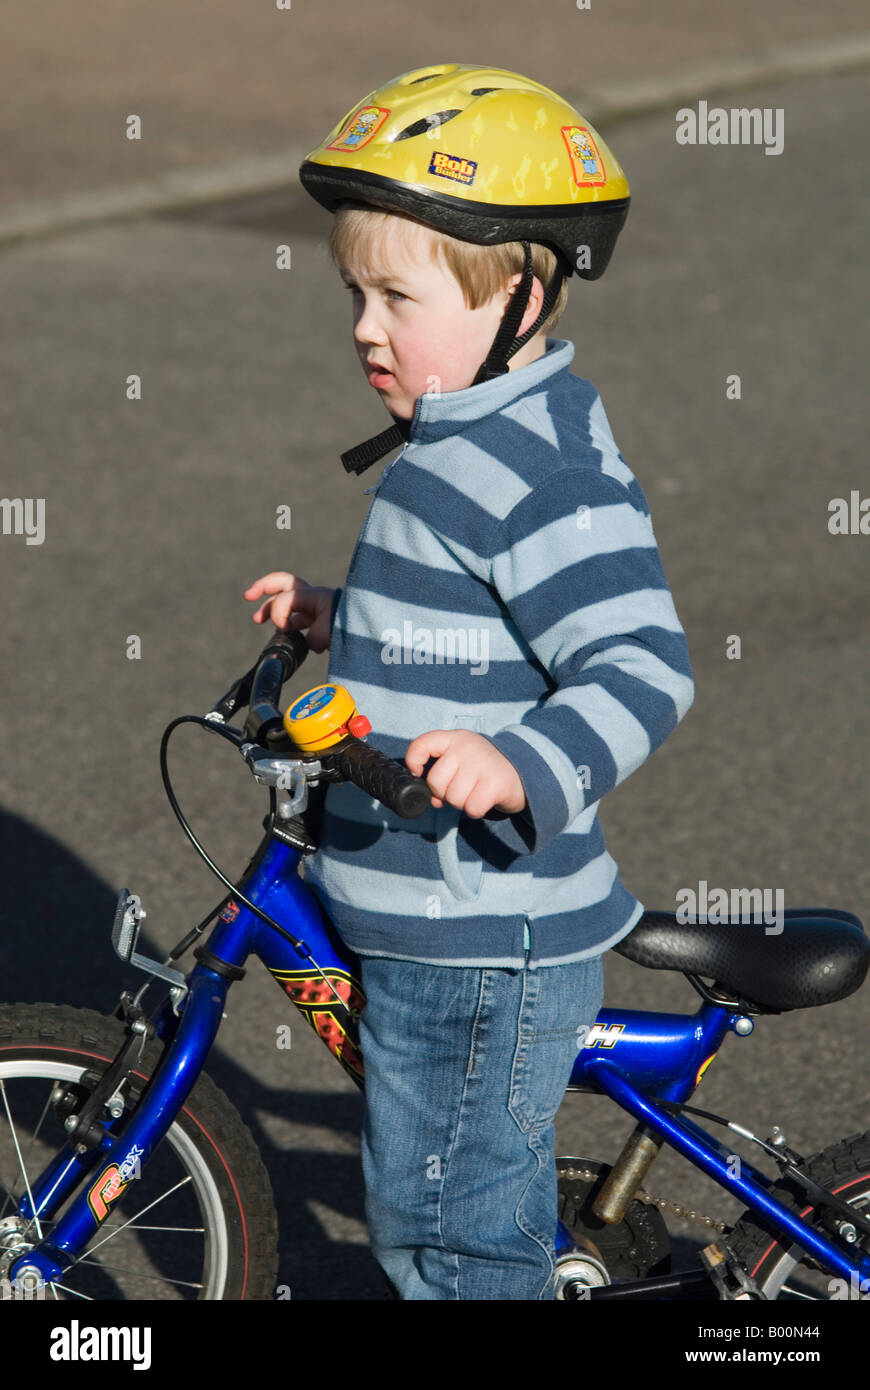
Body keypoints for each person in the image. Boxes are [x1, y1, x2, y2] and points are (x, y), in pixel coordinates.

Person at [244, 63, 694, 1299]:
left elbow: (641, 662)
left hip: (480, 936)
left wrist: (522, 763)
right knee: (446, 1195)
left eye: (397, 294)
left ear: (522, 292)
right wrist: (349, 620)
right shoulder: (457, 436)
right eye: (354, 293)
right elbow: (470, 621)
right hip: (432, 913)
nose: (364, 326)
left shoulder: (537, 471)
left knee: (451, 1243)